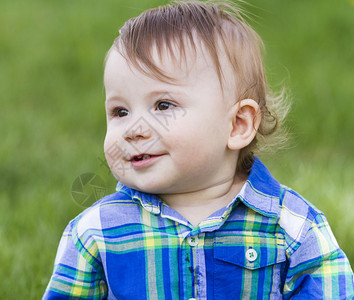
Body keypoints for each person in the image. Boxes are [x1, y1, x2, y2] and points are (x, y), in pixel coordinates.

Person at [42, 1, 354, 299]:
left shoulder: (293, 227)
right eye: (120, 112)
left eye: (163, 105)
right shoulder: (96, 233)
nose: (134, 129)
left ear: (237, 125)